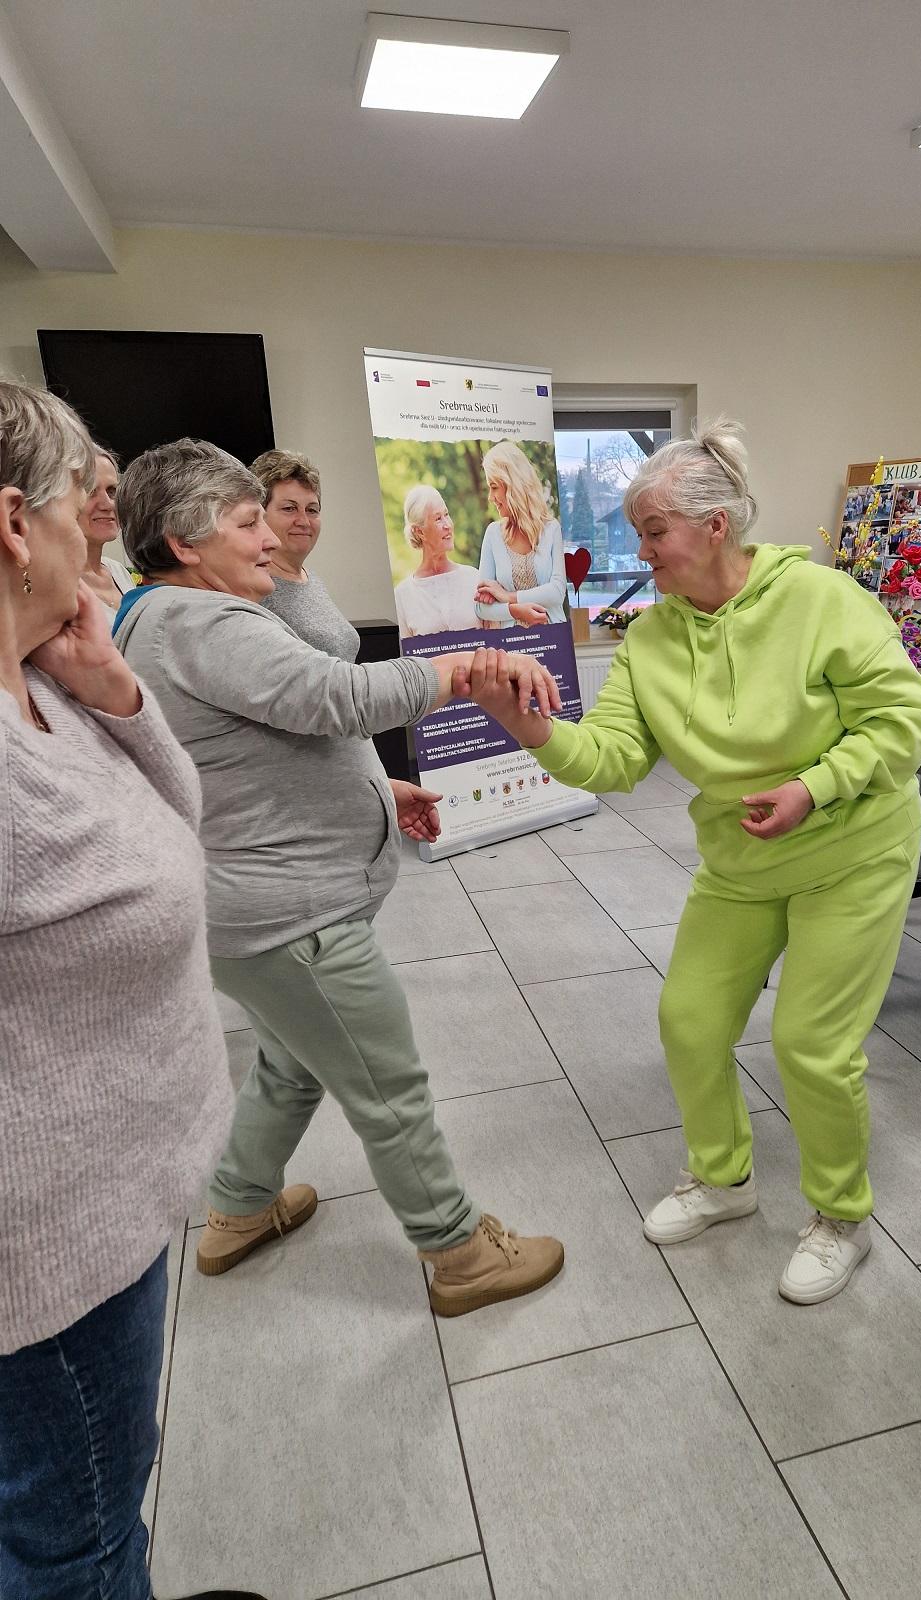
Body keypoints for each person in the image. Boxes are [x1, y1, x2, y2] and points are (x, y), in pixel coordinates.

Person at [466, 420, 921, 1304]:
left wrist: (815, 785)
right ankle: (723, 1181)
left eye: (654, 532)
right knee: (688, 1020)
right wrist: (526, 724)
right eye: (638, 533)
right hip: (742, 860)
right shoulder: (649, 640)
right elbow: (611, 757)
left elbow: (906, 720)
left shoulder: (822, 601)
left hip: (852, 849)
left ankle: (842, 1216)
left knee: (811, 1045)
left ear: (715, 527)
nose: (640, 552)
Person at [113, 439, 565, 1315]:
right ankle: (461, 1253)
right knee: (387, 1085)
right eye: (248, 524)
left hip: (255, 917)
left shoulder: (156, 619)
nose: (271, 543)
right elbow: (341, 697)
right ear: (183, 541)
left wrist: (374, 785)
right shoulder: (201, 621)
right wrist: (475, 666)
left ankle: (239, 1210)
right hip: (295, 922)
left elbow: (253, 744)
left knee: (290, 1065)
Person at [0, 384, 260, 1598]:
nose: (96, 526)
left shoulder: (45, 671)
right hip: (36, 1253)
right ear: (15, 524)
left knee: (104, 1491)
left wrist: (112, 690)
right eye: (77, 501)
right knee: (79, 1526)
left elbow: (172, 826)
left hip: (107, 1202)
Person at [252, 448, 360, 660]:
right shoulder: (256, 591)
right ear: (259, 515)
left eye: (312, 510)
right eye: (289, 509)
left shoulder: (310, 579)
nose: (303, 521)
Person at [394, 484, 544, 635]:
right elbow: (406, 658)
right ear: (419, 532)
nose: (448, 525)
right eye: (438, 519)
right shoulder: (402, 596)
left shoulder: (474, 579)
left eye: (447, 514)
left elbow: (497, 640)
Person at [475, 440, 567, 627]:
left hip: (552, 642)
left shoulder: (551, 529)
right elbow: (481, 608)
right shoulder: (493, 534)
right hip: (511, 648)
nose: (490, 498)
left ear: (512, 485)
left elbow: (557, 592)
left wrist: (507, 596)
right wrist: (515, 610)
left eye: (494, 487)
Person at [78, 445, 135, 620]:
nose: (107, 504)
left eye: (112, 491)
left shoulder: (118, 571)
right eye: (90, 491)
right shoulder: (53, 582)